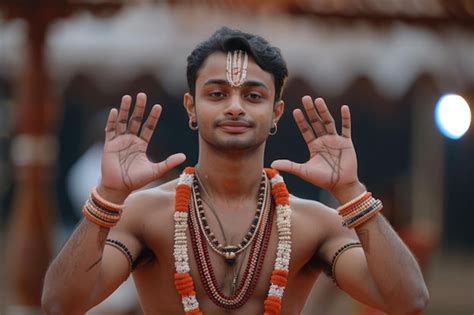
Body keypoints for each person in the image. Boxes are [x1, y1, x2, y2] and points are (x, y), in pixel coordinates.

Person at [42, 27, 429, 315]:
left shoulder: (313, 224)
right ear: (191, 108)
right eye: (217, 93)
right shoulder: (146, 215)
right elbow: (60, 304)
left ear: (275, 112)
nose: (235, 107)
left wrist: (351, 191)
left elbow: (408, 301)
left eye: (253, 95)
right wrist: (109, 195)